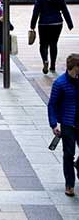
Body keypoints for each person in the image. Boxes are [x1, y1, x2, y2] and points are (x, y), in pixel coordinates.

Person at [47, 54, 79, 197]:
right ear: (71, 68)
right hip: (68, 124)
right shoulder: (60, 83)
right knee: (68, 154)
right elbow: (52, 105)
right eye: (77, 70)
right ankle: (70, 184)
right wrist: (54, 124)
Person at [30, 0, 73, 74]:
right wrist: (70, 24)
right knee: (54, 43)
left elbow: (36, 12)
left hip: (44, 23)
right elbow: (65, 11)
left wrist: (32, 25)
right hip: (57, 23)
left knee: (43, 44)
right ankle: (53, 65)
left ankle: (45, 60)